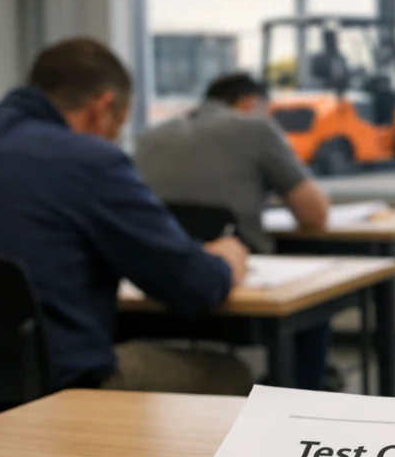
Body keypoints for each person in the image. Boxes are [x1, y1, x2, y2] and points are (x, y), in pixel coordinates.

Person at [0, 38, 253, 395]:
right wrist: (225, 260)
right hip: (55, 392)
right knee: (231, 374)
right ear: (104, 108)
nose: (114, 138)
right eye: (119, 126)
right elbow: (193, 286)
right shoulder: (90, 160)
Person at [136, 72, 333, 390]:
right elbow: (315, 214)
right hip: (236, 289)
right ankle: (299, 402)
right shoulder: (256, 129)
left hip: (156, 297)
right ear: (250, 103)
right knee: (316, 301)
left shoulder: (150, 136)